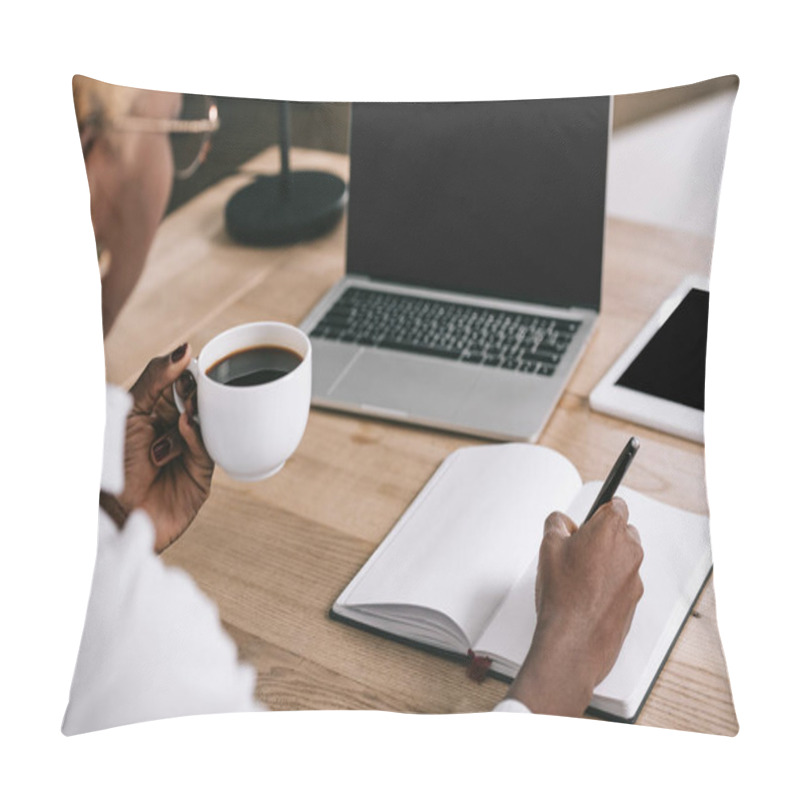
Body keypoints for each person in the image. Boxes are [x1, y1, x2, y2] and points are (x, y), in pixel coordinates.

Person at [63, 76, 643, 733]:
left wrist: (109, 515)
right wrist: (566, 656)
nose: (173, 166)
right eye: (176, 134)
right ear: (89, 160)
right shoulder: (132, 638)